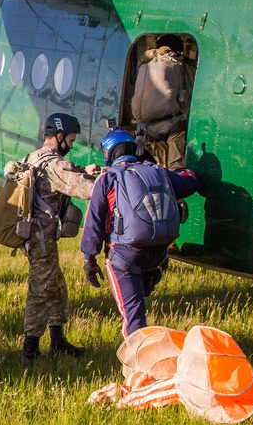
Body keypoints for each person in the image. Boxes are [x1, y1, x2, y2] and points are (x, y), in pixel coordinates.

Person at [81, 129, 198, 338]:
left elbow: (93, 223)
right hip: (158, 254)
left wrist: (89, 259)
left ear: (109, 153)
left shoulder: (108, 178)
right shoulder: (157, 172)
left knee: (133, 316)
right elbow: (189, 183)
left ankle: (138, 363)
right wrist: (187, 171)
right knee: (140, 299)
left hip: (125, 255)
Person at [17, 113, 99, 361]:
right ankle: (29, 351)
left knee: (56, 288)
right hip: (42, 240)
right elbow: (88, 190)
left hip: (37, 237)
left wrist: (83, 170)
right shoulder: (56, 165)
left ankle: (58, 341)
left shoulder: (34, 158)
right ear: (60, 137)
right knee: (40, 292)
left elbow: (59, 180)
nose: (72, 146)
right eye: (71, 140)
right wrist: (111, 178)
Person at [132, 34, 194, 168]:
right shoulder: (181, 66)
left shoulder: (145, 64)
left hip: (147, 126)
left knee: (158, 164)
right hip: (173, 125)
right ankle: (177, 177)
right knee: (175, 164)